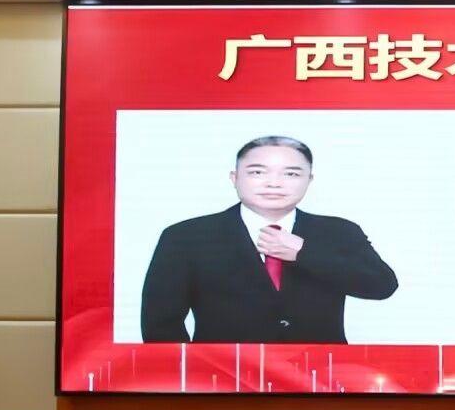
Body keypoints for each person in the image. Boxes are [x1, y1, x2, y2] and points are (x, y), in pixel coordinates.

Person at [140, 136, 398, 344]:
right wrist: (192, 376)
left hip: (319, 378)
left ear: (309, 180)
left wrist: (304, 253)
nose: (274, 183)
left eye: (291, 174)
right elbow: (160, 323)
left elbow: (382, 286)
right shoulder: (186, 236)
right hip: (224, 377)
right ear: (234, 178)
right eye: (257, 172)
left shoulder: (339, 231)